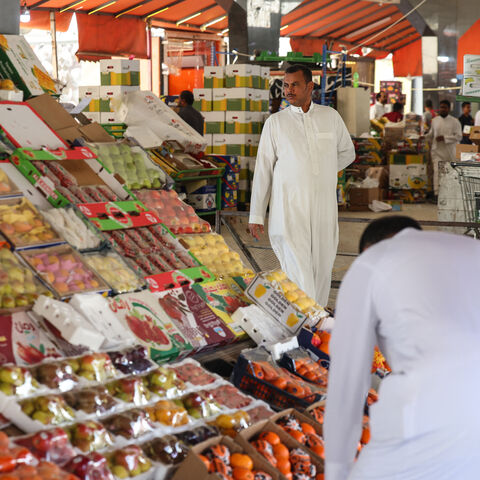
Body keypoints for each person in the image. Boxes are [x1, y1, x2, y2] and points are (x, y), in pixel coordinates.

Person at [324, 216, 480, 480]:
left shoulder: (371, 262)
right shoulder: (470, 250)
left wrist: (336, 469)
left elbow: (347, 382)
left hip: (421, 422)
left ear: (368, 249)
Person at [248, 64, 355, 306]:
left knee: (322, 266)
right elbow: (263, 170)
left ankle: (314, 320)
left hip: (324, 208)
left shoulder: (330, 117)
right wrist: (256, 214)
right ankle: (307, 321)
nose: (289, 90)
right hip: (289, 208)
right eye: (285, 85)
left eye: (294, 84)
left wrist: (322, 173)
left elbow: (347, 153)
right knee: (298, 269)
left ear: (310, 87)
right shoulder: (275, 123)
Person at [426, 100, 462, 196]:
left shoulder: (455, 121)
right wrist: (423, 137)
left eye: (445, 107)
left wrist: (445, 138)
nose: (442, 109)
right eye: (441, 107)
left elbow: (459, 136)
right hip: (437, 151)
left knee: (450, 173)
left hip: (450, 152)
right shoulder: (435, 120)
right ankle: (437, 194)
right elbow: (431, 134)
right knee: (437, 172)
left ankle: (450, 194)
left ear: (449, 109)